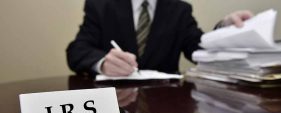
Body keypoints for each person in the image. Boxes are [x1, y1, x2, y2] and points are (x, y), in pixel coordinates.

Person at [67, 0, 253, 76]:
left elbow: (199, 49)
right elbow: (77, 50)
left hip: (166, 105)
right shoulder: (101, 5)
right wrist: (102, 63)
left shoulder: (180, 10)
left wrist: (224, 29)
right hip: (116, 105)